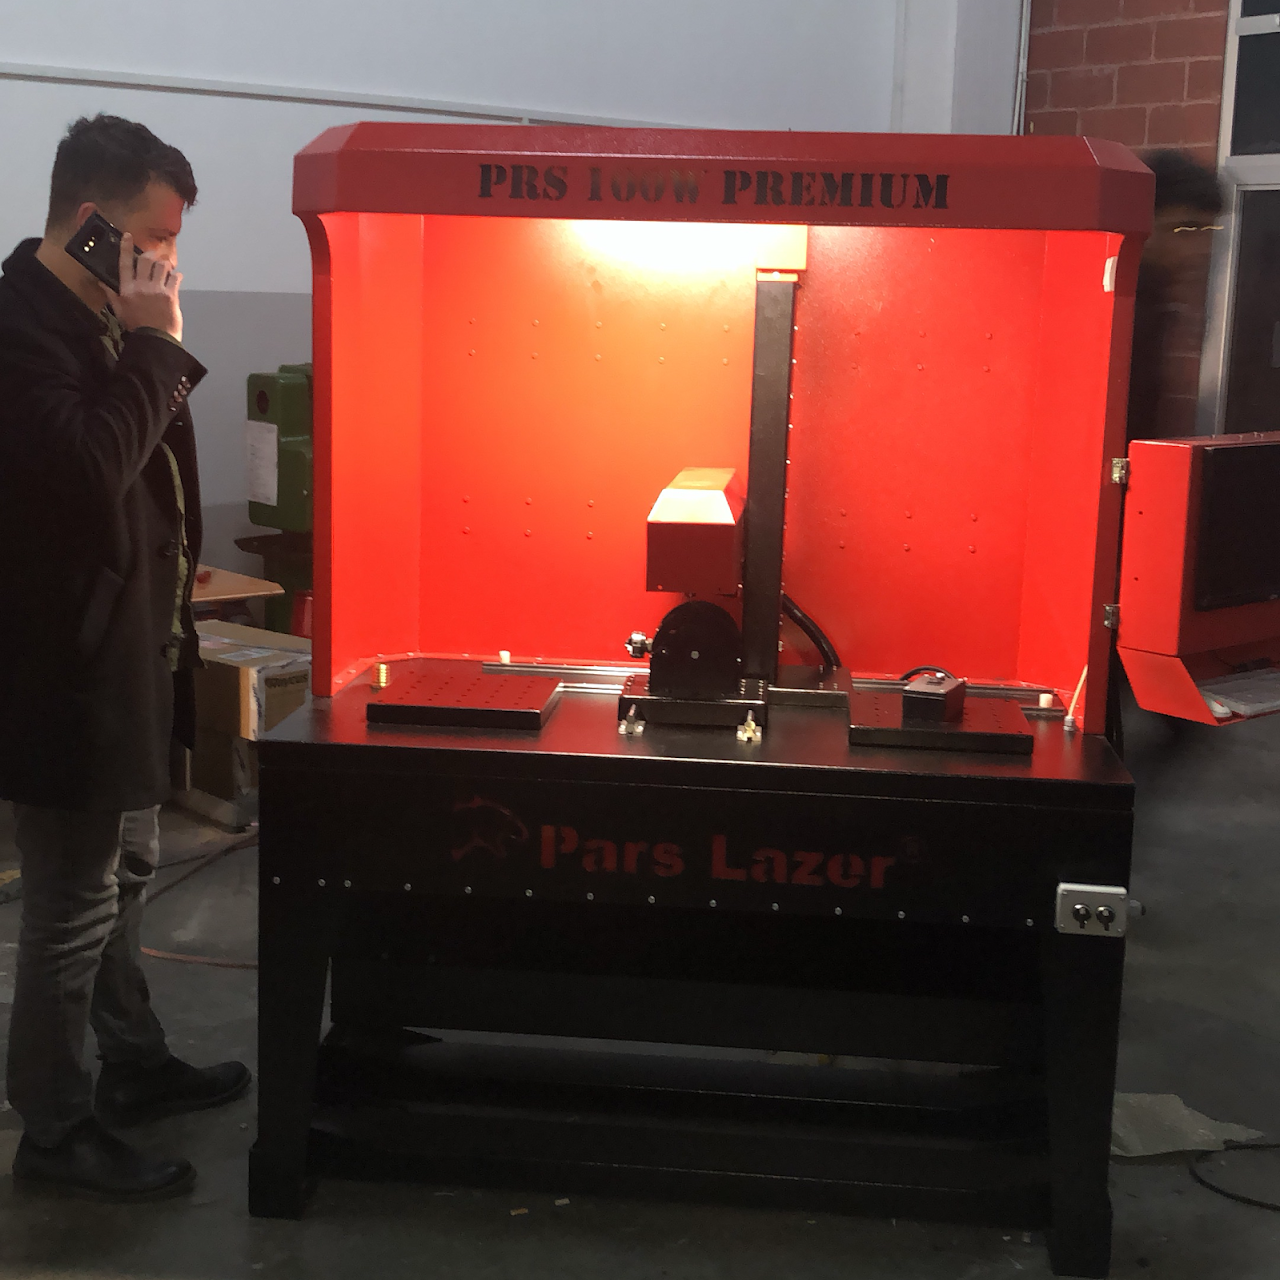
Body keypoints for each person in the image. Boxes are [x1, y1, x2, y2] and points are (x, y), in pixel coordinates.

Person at [0, 114, 250, 1199]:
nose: (168, 265)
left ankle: (133, 1061)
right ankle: (55, 1131)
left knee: (130, 867)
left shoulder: (96, 319)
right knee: (71, 906)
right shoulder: (20, 329)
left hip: (131, 654)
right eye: (158, 241)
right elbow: (86, 475)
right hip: (64, 672)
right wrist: (156, 341)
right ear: (96, 224)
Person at [1126, 149, 1224, 443]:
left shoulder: (1156, 304)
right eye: (1184, 229)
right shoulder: (1117, 308)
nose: (1202, 248)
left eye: (1208, 230)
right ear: (1144, 225)